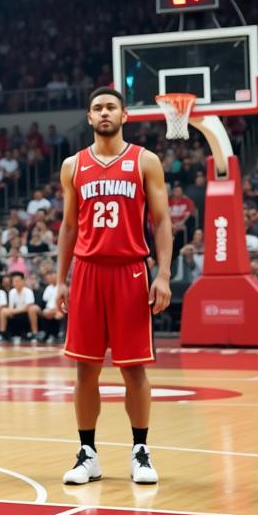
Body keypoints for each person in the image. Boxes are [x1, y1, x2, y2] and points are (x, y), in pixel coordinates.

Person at [55, 88, 172, 487]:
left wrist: (164, 275)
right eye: (97, 108)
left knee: (133, 369)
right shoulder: (73, 165)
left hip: (131, 271)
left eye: (111, 107)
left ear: (125, 115)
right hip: (87, 272)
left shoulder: (145, 161)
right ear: (89, 117)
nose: (104, 113)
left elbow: (162, 221)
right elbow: (69, 226)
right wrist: (59, 280)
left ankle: (141, 450)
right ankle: (87, 454)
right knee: (84, 369)